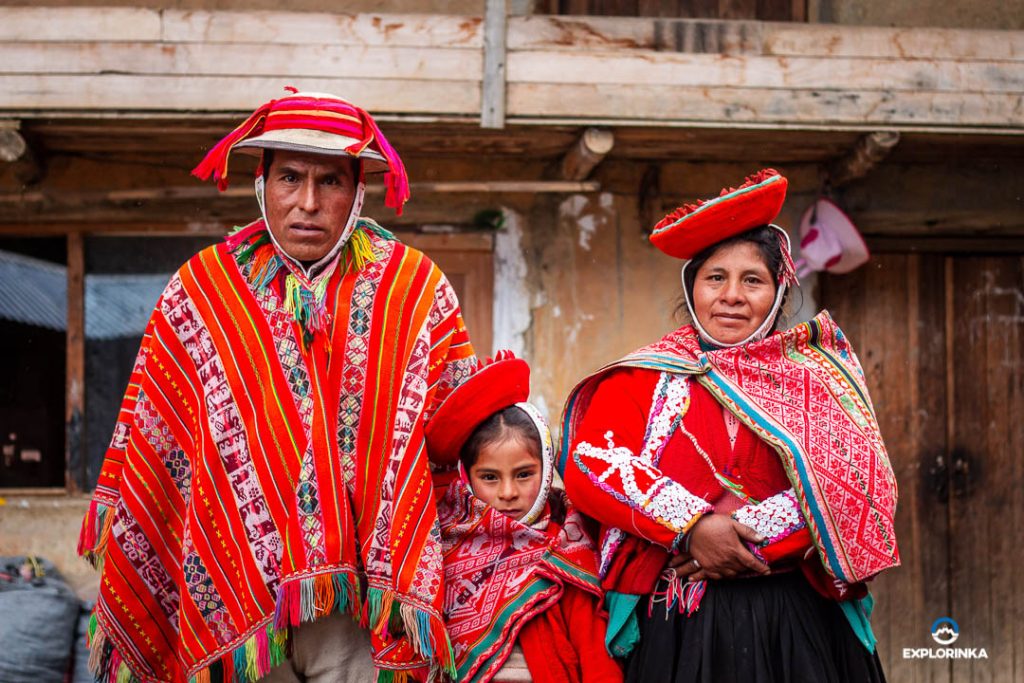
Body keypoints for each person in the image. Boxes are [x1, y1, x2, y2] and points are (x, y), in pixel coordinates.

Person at [77, 90, 478, 683]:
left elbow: (463, 436)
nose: (309, 203)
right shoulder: (203, 290)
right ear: (261, 184)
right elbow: (156, 440)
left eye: (331, 182)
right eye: (290, 177)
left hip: (366, 610)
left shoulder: (414, 290)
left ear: (359, 191)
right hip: (230, 593)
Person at [559, 169, 899, 682]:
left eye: (753, 280)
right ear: (692, 287)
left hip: (794, 615)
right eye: (715, 277)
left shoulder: (815, 379)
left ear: (778, 293)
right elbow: (592, 465)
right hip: (675, 618)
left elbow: (854, 483)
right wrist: (693, 529)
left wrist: (739, 541)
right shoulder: (641, 379)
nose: (732, 296)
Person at [424, 352, 622, 683]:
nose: (507, 492)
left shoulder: (566, 552)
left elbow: (597, 663)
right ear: (466, 476)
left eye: (523, 474)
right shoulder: (443, 550)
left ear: (546, 471)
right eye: (489, 477)